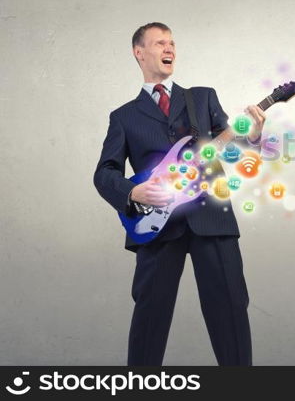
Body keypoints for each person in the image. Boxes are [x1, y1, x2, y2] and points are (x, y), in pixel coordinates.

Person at [93, 22, 265, 366]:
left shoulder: (201, 98)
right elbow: (104, 173)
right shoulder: (124, 117)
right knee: (149, 318)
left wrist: (255, 135)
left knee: (230, 311)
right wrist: (133, 191)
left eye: (172, 43)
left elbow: (232, 148)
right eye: (159, 43)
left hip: (211, 219)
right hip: (157, 227)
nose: (169, 48)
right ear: (139, 53)